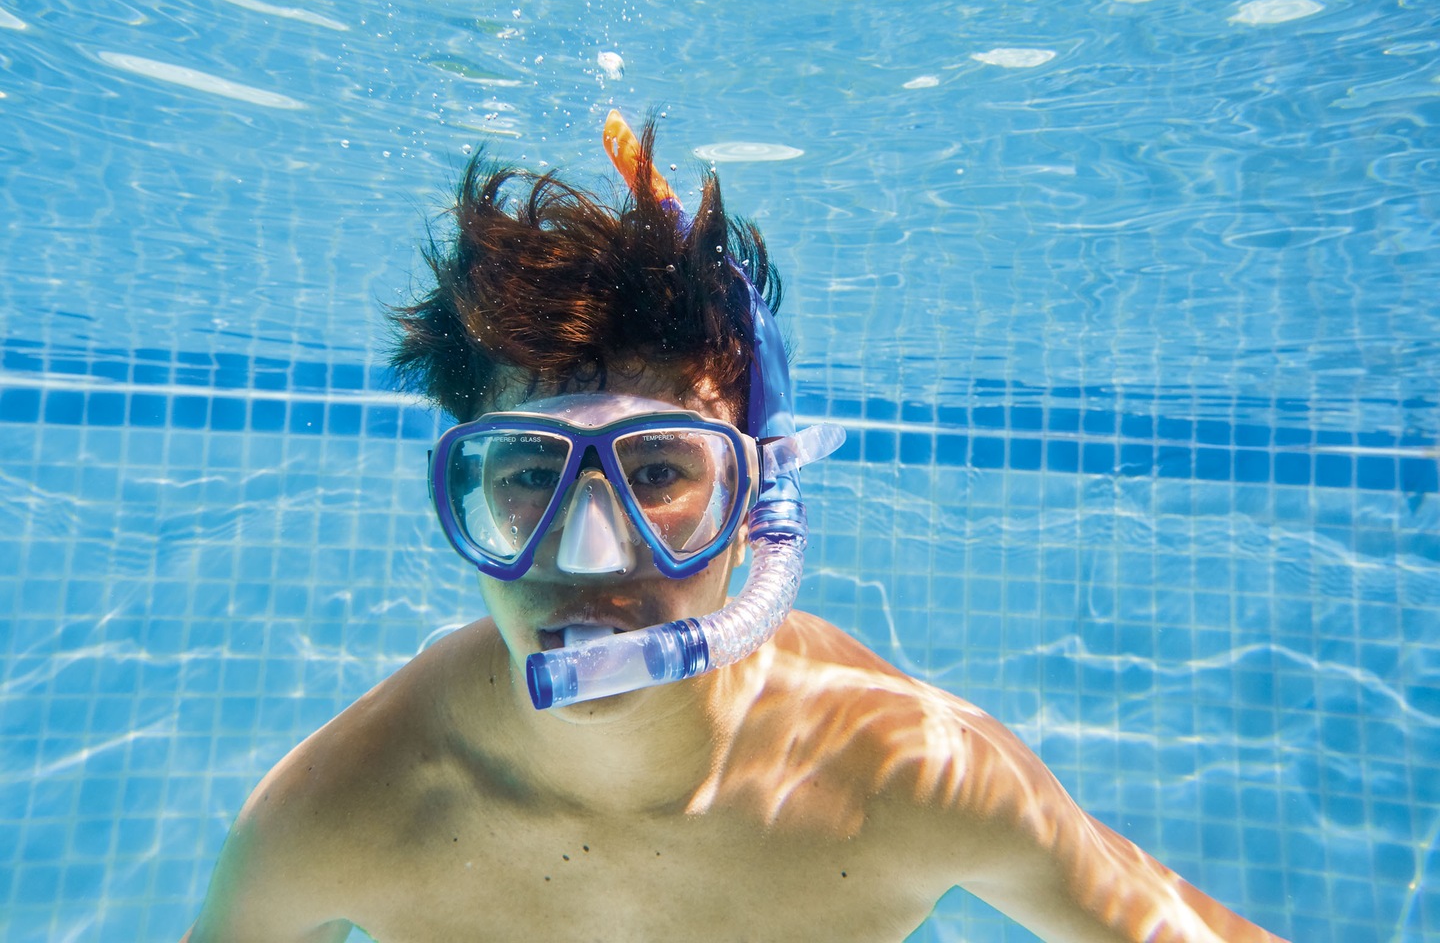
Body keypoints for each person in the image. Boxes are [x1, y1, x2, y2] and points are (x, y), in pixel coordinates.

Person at [184, 112, 1289, 943]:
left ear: (763, 504)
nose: (589, 554)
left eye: (661, 469)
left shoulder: (910, 774)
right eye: (526, 469)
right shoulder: (339, 814)